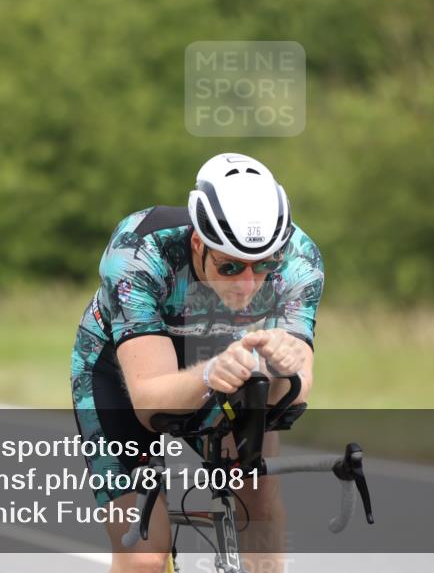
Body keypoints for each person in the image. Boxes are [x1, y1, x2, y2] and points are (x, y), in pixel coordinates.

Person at [70, 153, 324, 573]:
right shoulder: (138, 251)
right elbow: (150, 402)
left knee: (257, 495)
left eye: (264, 265)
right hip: (123, 370)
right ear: (197, 244)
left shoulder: (300, 259)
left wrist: (286, 367)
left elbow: (295, 393)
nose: (248, 284)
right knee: (146, 557)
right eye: (230, 266)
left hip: (232, 362)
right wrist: (208, 373)